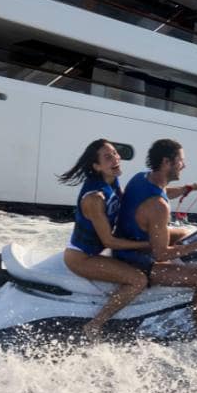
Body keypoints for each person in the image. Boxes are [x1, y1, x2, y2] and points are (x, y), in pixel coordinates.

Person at [115, 138, 197, 334]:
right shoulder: (158, 206)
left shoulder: (142, 177)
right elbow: (161, 254)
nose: (184, 165)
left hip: (130, 241)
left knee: (185, 233)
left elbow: (163, 191)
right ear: (166, 162)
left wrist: (191, 188)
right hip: (136, 261)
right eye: (181, 161)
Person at [59, 139, 152, 340]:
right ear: (97, 166)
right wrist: (149, 244)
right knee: (138, 280)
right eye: (108, 157)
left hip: (95, 251)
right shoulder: (95, 198)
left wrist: (187, 189)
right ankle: (94, 325)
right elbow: (109, 241)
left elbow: (138, 201)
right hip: (82, 258)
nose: (116, 158)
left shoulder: (111, 181)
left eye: (116, 153)